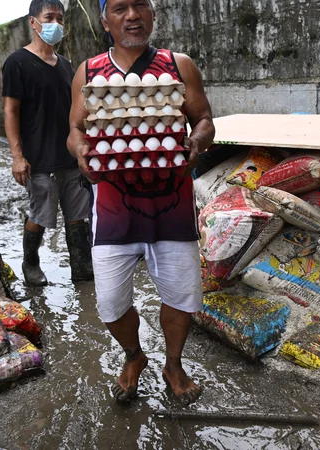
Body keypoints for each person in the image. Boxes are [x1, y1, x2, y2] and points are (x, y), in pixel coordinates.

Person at [67, 0, 215, 405]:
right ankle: (134, 356)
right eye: (119, 8)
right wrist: (81, 151)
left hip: (172, 205)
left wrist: (196, 141)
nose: (132, 15)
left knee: (182, 297)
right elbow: (75, 129)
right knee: (111, 305)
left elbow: (204, 119)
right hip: (114, 208)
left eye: (140, 5)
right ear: (105, 21)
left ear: (152, 13)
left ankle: (173, 363)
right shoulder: (90, 72)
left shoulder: (178, 65)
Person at [2, 0, 94, 286]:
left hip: (70, 157)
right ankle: (30, 263)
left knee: (78, 217)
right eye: (48, 17)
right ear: (33, 22)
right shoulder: (17, 63)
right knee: (41, 215)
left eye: (60, 18)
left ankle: (82, 271)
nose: (55, 23)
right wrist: (17, 156)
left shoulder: (67, 66)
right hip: (39, 159)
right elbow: (10, 110)